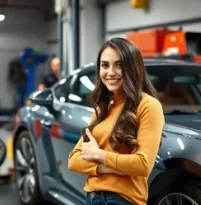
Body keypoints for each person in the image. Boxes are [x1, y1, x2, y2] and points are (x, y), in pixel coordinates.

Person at [68, 38, 165, 205]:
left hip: (122, 200)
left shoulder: (148, 106)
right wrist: (107, 167)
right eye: (105, 65)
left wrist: (99, 155)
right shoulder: (103, 108)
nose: (110, 72)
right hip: (92, 197)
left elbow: (142, 164)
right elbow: (74, 160)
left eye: (119, 65)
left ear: (132, 68)